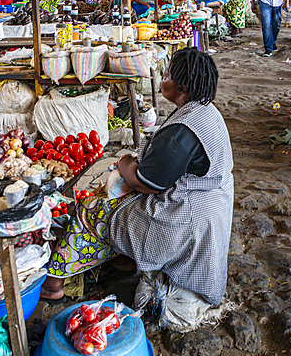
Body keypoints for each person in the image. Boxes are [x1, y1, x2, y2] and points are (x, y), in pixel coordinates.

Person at [41, 48, 233, 309]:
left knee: (92, 210)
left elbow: (145, 182)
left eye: (166, 75)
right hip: (207, 207)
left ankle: (53, 284)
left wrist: (123, 161)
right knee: (121, 204)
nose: (162, 79)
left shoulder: (182, 130)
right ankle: (124, 260)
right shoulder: (205, 111)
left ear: (183, 85)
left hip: (184, 219)